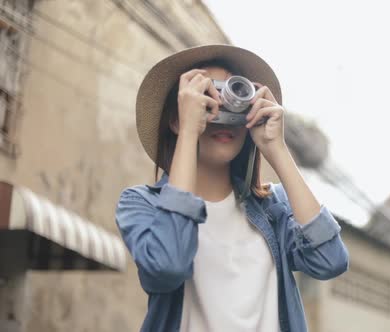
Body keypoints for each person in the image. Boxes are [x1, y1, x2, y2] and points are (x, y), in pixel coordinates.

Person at [115, 45, 349, 332]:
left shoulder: (272, 207)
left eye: (235, 96)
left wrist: (277, 149)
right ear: (175, 118)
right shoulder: (140, 204)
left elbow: (331, 261)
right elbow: (168, 266)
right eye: (207, 97)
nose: (221, 108)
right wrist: (190, 131)